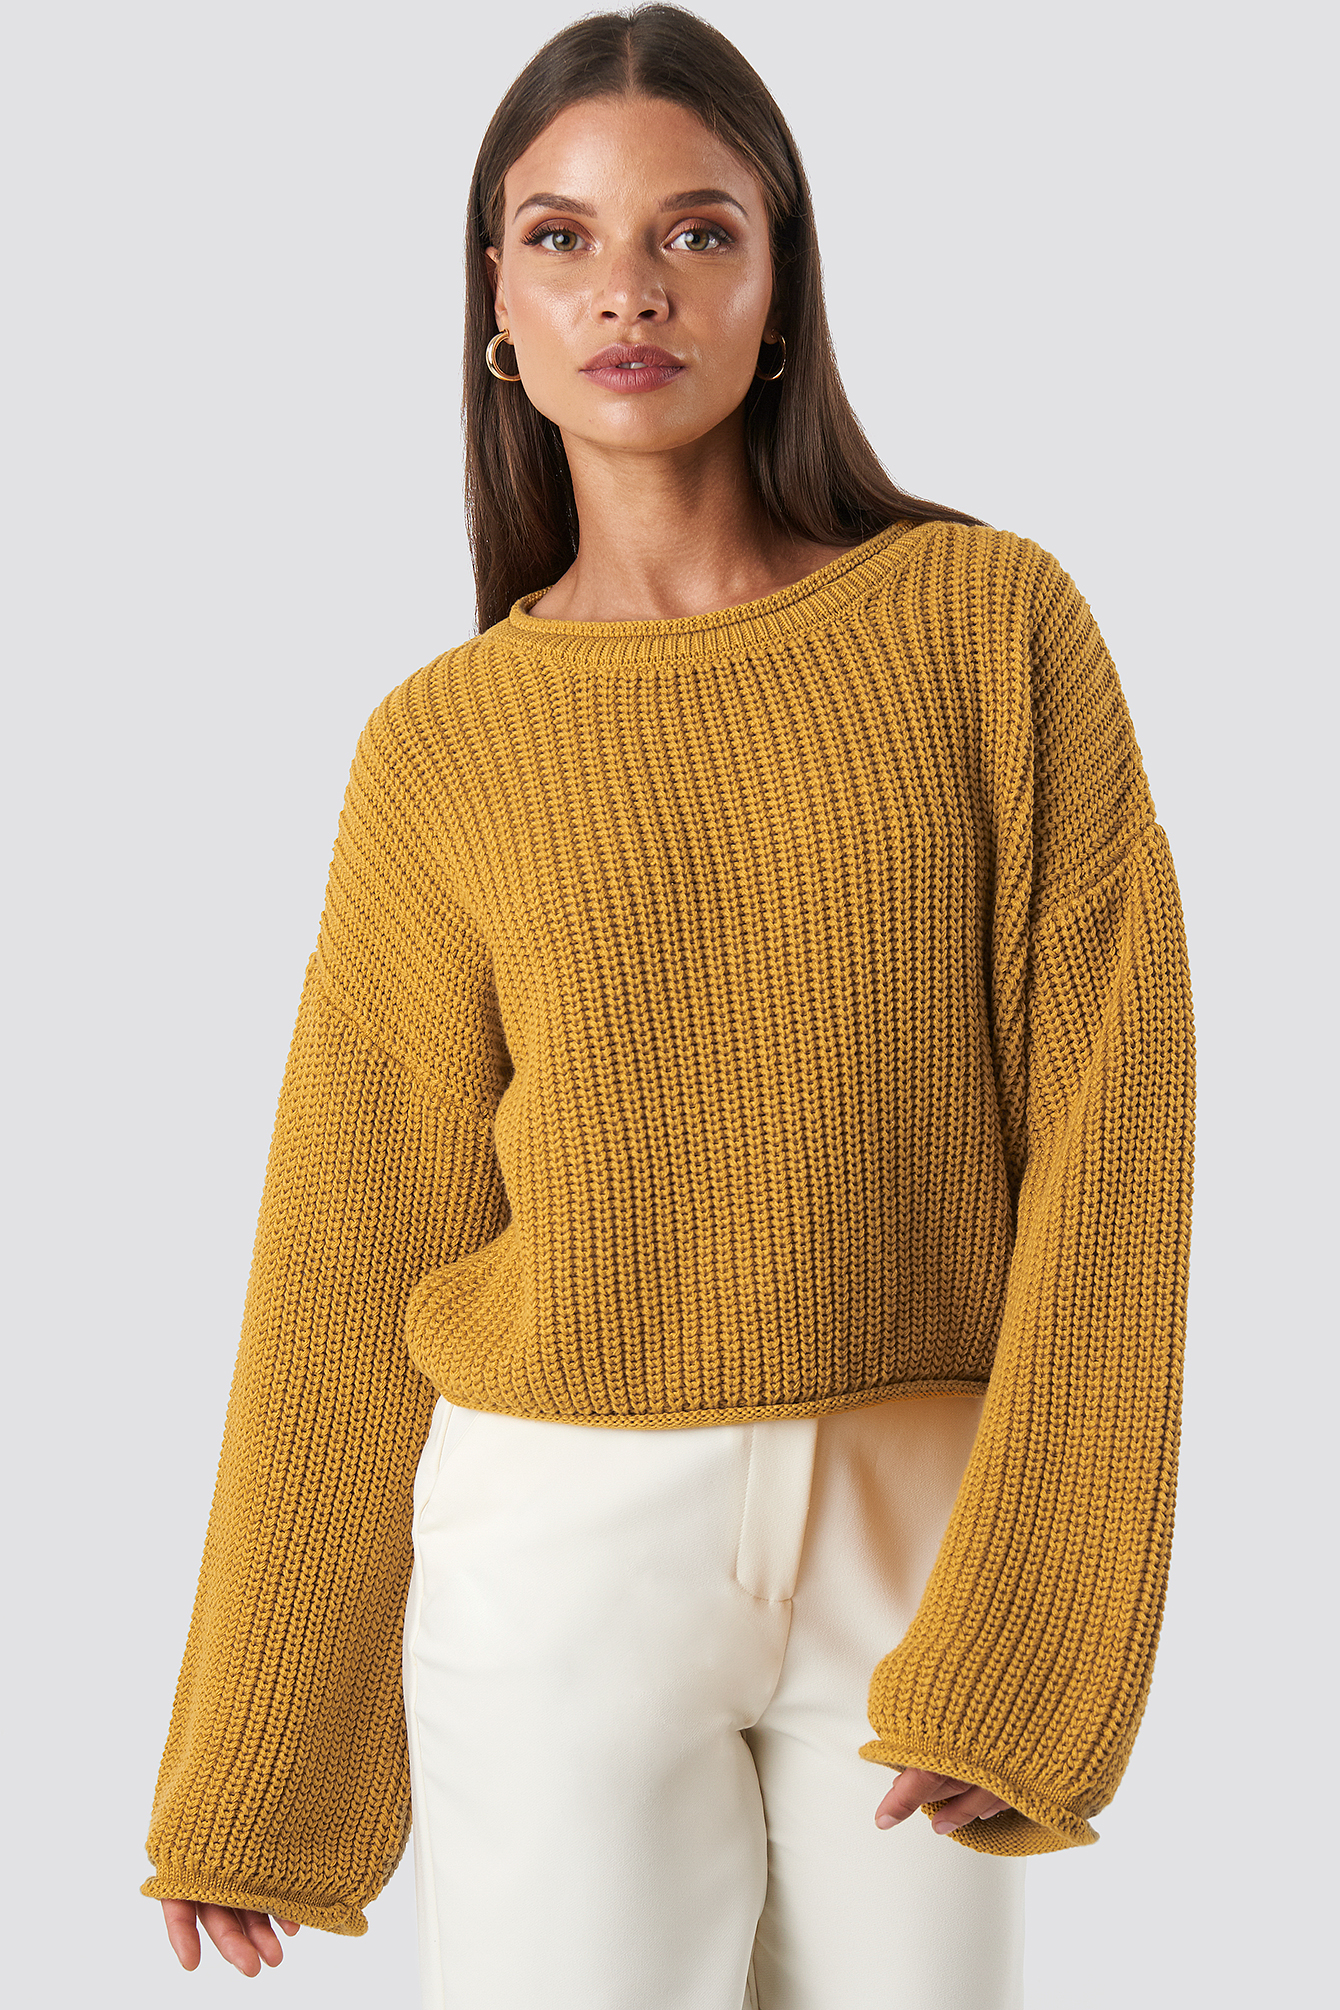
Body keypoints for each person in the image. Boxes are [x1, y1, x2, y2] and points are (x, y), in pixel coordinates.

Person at [141, 8, 1197, 2007]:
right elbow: (351, 1239)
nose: (627, 289)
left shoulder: (989, 630)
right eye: (561, 238)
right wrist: (256, 1752)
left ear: (782, 282)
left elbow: (1114, 1140)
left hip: (919, 1524)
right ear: (495, 301)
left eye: (696, 231)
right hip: (557, 1548)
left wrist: (1037, 1634)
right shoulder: (442, 743)